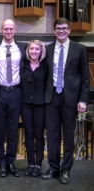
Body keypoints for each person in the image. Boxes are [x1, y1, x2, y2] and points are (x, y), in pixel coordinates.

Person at [42, 18, 89, 184]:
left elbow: (85, 77)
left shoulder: (80, 49)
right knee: (52, 135)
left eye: (64, 28)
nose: (61, 31)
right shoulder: (47, 49)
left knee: (68, 135)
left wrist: (83, 100)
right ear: (54, 31)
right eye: (58, 28)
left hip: (71, 98)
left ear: (69, 30)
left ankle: (66, 169)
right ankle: (53, 167)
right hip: (52, 96)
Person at [0, 19, 26, 177]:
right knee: (0, 128)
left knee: (12, 129)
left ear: (15, 30)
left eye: (11, 29)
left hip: (16, 92)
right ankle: (1, 161)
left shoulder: (23, 47)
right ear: (1, 30)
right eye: (6, 29)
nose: (8, 31)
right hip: (0, 92)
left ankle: (11, 161)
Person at [21, 40, 47, 177]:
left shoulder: (45, 66)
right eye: (32, 49)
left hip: (40, 106)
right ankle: (30, 163)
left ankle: (38, 164)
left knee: (39, 136)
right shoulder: (23, 65)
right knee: (29, 135)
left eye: (37, 49)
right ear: (28, 50)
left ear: (41, 51)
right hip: (25, 105)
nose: (34, 51)